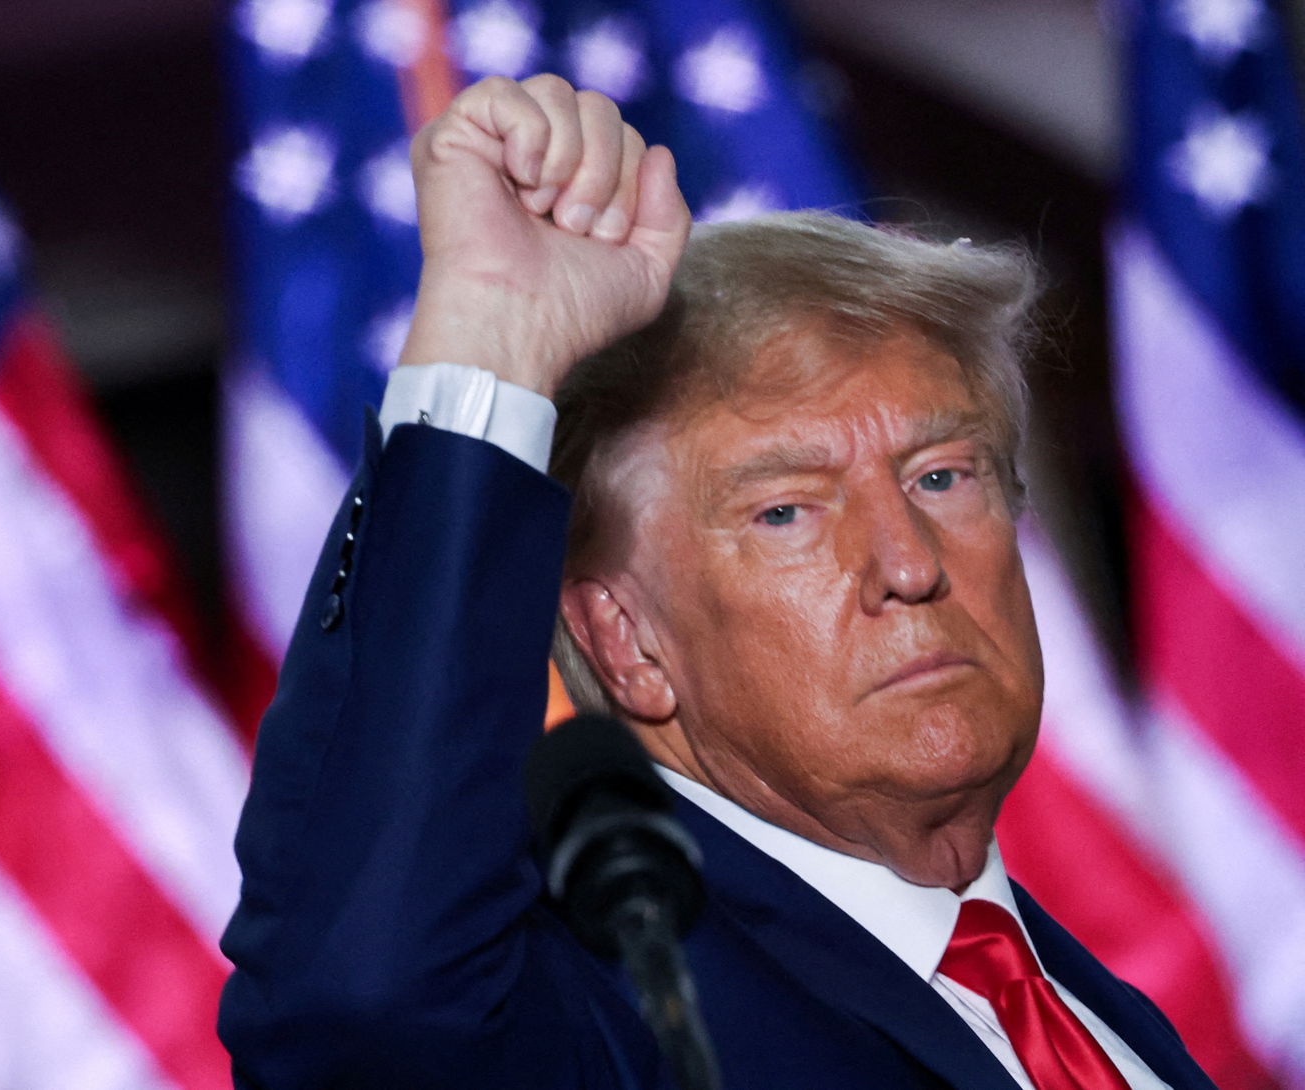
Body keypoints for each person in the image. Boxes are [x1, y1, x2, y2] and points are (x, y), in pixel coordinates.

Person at [218, 74, 1215, 1089]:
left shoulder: (1100, 1018)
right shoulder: (616, 1013)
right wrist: (495, 340)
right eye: (785, 510)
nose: (909, 564)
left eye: (941, 476)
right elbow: (362, 1011)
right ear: (625, 642)